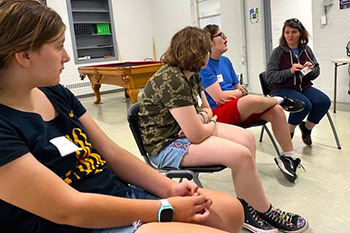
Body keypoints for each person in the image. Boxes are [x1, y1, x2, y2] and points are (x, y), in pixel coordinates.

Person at [0, 1, 246, 233]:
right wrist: (165, 208)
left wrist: (169, 188)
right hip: (83, 224)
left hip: (117, 194)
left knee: (230, 212)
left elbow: (112, 153)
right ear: (25, 56)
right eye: (58, 46)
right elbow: (69, 209)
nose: (66, 56)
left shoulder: (56, 93)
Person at [139, 26, 308, 233]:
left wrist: (201, 120)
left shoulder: (192, 74)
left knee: (247, 138)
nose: (208, 54)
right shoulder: (172, 80)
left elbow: (206, 109)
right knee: (240, 155)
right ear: (195, 52)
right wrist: (204, 124)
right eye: (205, 49)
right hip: (166, 146)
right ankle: (265, 210)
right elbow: (197, 133)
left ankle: (248, 207)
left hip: (185, 130)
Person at [199, 24, 305, 183]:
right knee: (250, 100)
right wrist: (240, 93)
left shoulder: (226, 61)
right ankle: (281, 99)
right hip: (218, 114)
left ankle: (289, 157)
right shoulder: (205, 66)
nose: (226, 38)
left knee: (275, 110)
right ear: (210, 42)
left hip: (239, 107)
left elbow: (239, 87)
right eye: (221, 35)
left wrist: (239, 92)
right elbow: (220, 98)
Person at [266, 18, 331, 146]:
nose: (290, 35)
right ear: (283, 34)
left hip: (303, 87)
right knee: (304, 104)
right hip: (281, 88)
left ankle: (307, 129)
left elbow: (316, 71)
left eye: (294, 32)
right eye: (287, 32)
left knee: (324, 101)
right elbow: (270, 76)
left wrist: (311, 69)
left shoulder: (306, 50)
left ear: (300, 33)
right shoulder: (278, 52)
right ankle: (289, 132)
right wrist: (289, 71)